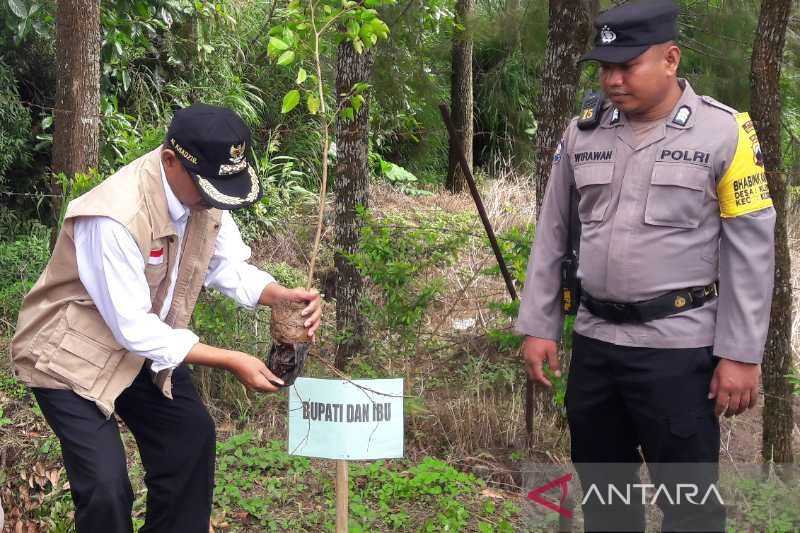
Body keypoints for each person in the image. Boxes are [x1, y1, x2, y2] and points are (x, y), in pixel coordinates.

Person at [516, 1, 775, 531]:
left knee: (690, 507)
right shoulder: (583, 134)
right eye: (605, 67)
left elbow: (751, 250)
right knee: (607, 502)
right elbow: (553, 235)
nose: (612, 79)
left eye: (627, 65)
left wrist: (742, 354)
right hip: (595, 346)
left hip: (678, 352)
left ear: (670, 58)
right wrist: (540, 326)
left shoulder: (724, 133)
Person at [10, 103, 322, 532]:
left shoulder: (205, 192)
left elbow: (225, 265)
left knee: (190, 439)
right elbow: (134, 327)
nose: (214, 200)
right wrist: (232, 360)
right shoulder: (114, 217)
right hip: (68, 356)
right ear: (170, 160)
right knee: (105, 487)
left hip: (141, 345)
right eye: (208, 187)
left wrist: (277, 295)